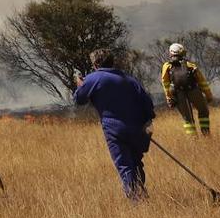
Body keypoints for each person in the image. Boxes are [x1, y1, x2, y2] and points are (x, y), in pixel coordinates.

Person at [74, 48, 156, 201]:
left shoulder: (94, 78)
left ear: (96, 64)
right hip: (138, 129)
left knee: (125, 165)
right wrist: (145, 125)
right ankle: (142, 194)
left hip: (114, 129)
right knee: (136, 162)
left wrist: (80, 84)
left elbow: (79, 99)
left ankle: (137, 202)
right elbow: (147, 104)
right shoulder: (129, 79)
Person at [161, 43, 213, 136]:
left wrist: (169, 98)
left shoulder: (167, 67)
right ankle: (206, 134)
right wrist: (208, 95)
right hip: (194, 91)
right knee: (203, 111)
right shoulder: (190, 65)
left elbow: (165, 84)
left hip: (178, 94)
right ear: (182, 53)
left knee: (187, 119)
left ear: (171, 53)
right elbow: (202, 82)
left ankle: (193, 140)